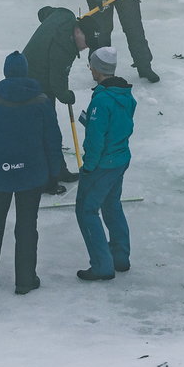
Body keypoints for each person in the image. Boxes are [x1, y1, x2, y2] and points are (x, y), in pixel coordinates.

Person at [0, 51, 62, 295]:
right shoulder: (42, 102)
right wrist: (54, 172)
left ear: (5, 72)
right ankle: (25, 278)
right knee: (27, 227)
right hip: (31, 175)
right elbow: (52, 139)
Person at [75, 47, 137, 282]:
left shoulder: (102, 100)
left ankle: (102, 265)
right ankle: (120, 257)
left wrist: (89, 166)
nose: (90, 69)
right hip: (120, 159)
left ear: (98, 69)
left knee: (86, 210)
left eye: (91, 65)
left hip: (102, 164)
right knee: (112, 205)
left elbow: (96, 138)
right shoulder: (125, 94)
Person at [22, 6, 92, 193]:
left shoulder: (63, 14)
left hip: (29, 75)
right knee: (44, 133)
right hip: (34, 87)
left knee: (50, 131)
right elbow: (57, 84)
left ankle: (59, 171)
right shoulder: (65, 47)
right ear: (78, 31)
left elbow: (43, 12)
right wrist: (68, 96)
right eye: (86, 43)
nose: (84, 48)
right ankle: (45, 181)